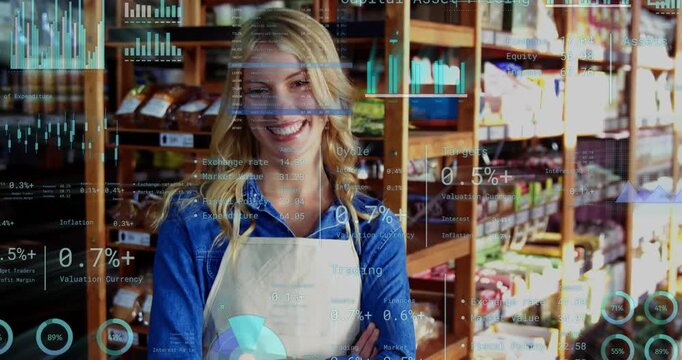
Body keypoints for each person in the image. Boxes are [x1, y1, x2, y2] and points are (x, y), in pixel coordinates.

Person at [148, 8, 416, 360]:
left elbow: (397, 354)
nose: (281, 108)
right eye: (260, 90)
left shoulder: (374, 230)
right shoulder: (193, 223)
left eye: (300, 83)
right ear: (241, 106)